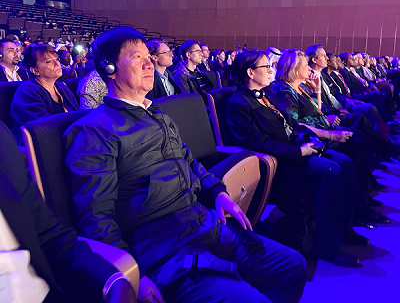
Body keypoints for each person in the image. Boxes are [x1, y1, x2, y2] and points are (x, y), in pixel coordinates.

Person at [64, 26, 308, 303]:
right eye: (136, 56)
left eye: (148, 56)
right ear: (109, 68)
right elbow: (95, 217)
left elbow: (189, 161)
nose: (149, 63)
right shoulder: (94, 131)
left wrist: (218, 192)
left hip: (203, 222)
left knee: (293, 266)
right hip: (159, 246)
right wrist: (129, 274)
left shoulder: (158, 115)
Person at [225, 50, 367, 267]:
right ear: (251, 73)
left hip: (295, 147)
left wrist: (310, 138)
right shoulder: (238, 104)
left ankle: (344, 229)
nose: (271, 70)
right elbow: (257, 143)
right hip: (279, 160)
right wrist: (299, 151)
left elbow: (291, 123)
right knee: (332, 171)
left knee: (346, 163)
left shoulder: (266, 94)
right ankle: (327, 247)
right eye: (266, 67)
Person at [0, 120, 135, 303]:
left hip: (47, 293)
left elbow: (49, 236)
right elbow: (96, 214)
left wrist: (114, 280)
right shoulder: (93, 130)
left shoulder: (1, 139)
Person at [273, 49, 389, 226]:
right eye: (305, 65)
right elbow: (294, 123)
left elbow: (318, 111)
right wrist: (330, 133)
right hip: (313, 138)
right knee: (357, 142)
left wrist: (318, 90)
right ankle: (358, 206)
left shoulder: (300, 87)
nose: (309, 68)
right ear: (294, 68)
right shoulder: (284, 90)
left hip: (323, 129)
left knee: (360, 139)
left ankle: (360, 201)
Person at [10, 44, 79, 145]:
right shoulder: (27, 92)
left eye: (57, 59)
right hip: (40, 146)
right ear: (35, 70)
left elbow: (78, 114)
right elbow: (44, 128)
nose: (57, 64)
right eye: (49, 61)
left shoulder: (62, 87)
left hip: (67, 140)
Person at [173, 40, 213, 105]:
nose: (201, 54)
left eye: (201, 51)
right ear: (188, 54)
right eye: (198, 51)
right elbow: (187, 101)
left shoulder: (199, 73)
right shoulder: (180, 75)